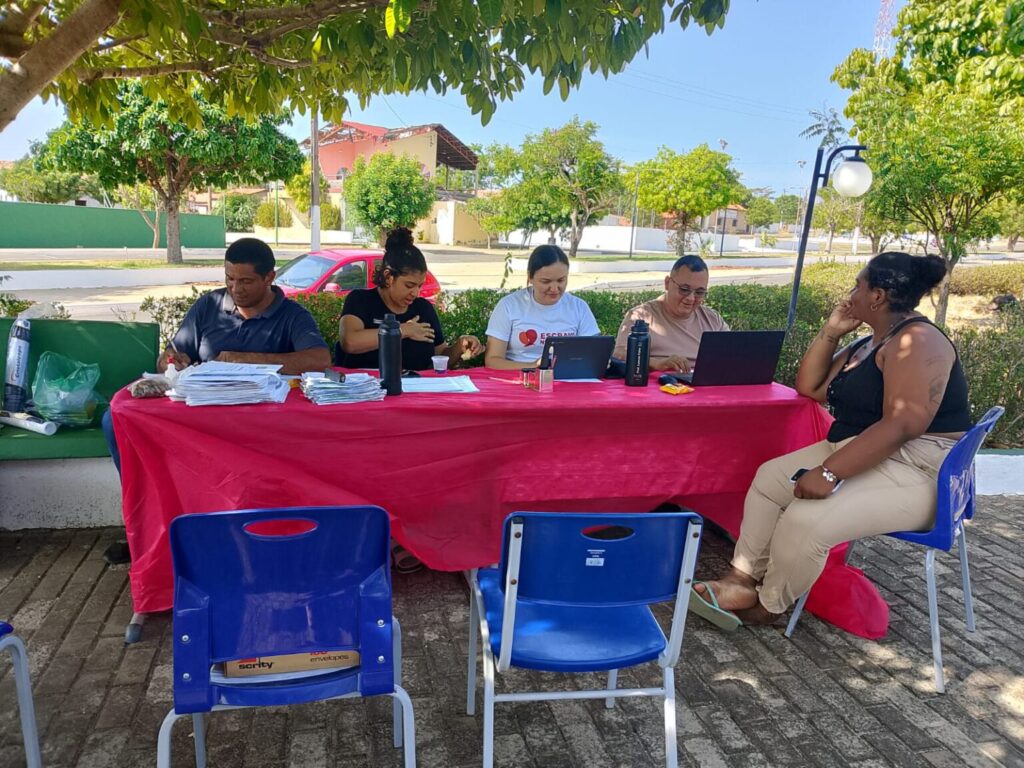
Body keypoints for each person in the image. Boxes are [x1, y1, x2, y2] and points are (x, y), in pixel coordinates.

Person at [689, 252, 972, 629]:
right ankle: (742, 579)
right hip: (867, 448)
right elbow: (811, 387)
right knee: (770, 479)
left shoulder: (918, 342)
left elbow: (904, 423)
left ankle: (769, 606)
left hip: (920, 468)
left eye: (859, 285)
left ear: (878, 296)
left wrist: (828, 473)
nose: (851, 293)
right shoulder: (870, 343)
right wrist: (831, 331)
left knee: (806, 519)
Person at [101, 237, 331, 564]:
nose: (236, 288)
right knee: (117, 420)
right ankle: (148, 526)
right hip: (201, 413)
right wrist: (173, 360)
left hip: (259, 421)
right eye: (229, 279)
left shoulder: (292, 315)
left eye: (246, 281)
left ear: (269, 278)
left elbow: (320, 359)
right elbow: (170, 356)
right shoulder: (209, 307)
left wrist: (246, 359)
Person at [338, 228, 483, 370]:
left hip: (418, 390)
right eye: (409, 285)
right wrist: (403, 330)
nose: (415, 293)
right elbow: (350, 342)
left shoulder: (423, 308)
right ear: (388, 277)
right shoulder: (360, 300)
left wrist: (459, 346)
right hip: (367, 389)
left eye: (419, 286)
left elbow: (439, 355)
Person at [484, 244, 600, 370]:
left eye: (561, 280)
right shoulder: (509, 306)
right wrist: (533, 366)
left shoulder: (579, 307)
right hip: (519, 378)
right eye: (546, 282)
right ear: (530, 277)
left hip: (566, 378)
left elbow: (593, 354)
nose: (555, 289)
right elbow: (493, 360)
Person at [612, 254, 728, 373]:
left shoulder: (713, 320)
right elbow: (619, 355)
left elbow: (732, 356)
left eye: (699, 292)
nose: (691, 298)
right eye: (684, 290)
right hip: (661, 387)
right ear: (667, 283)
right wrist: (657, 363)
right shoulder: (641, 316)